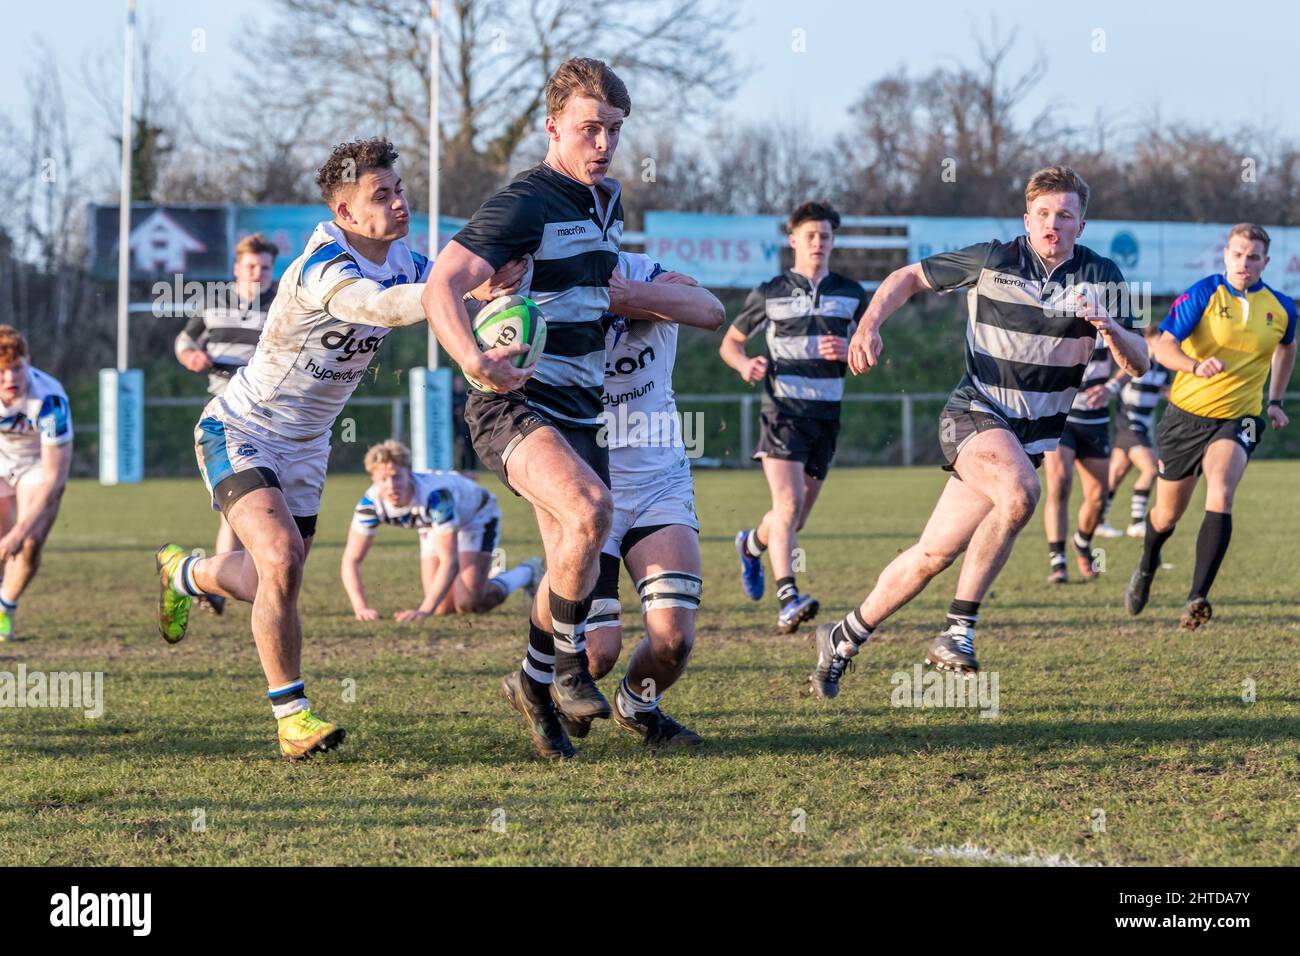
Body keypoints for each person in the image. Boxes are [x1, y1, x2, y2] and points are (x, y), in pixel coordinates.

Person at [153, 137, 521, 759]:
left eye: (400, 190)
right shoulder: (323, 266)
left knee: (276, 575)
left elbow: (450, 282)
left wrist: (495, 285)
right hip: (240, 429)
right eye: (382, 196)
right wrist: (453, 292)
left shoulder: (405, 258)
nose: (399, 203)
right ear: (346, 213)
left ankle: (184, 573)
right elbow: (380, 306)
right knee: (280, 558)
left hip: (307, 447)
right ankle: (292, 718)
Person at [806, 165, 1148, 699]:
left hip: (1026, 440)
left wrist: (1110, 325)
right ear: (1026, 218)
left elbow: (1141, 362)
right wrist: (868, 325)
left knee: (932, 555)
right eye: (1042, 214)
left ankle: (843, 635)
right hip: (976, 412)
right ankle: (958, 630)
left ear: (1082, 223)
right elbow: (908, 277)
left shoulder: (1103, 276)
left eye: (1064, 215)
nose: (1052, 224)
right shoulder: (994, 258)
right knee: (1021, 494)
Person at [423, 58, 631, 760]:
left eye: (613, 130)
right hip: (513, 401)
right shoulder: (526, 201)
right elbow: (440, 284)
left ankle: (531, 681)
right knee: (589, 512)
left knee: (569, 555)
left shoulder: (609, 201)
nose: (601, 144)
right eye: (588, 129)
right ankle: (565, 669)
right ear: (553, 127)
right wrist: (472, 358)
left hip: (580, 408)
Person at [577, 252, 723, 747]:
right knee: (596, 655)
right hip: (586, 487)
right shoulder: (548, 287)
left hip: (660, 483)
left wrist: (627, 298)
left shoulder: (645, 272)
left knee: (673, 641)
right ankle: (543, 684)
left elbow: (709, 311)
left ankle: (637, 706)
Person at [1124, 223, 1295, 629]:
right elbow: (1162, 346)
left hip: (1240, 418)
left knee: (1220, 490)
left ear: (1265, 262)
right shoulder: (1204, 293)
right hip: (1185, 417)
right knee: (1166, 515)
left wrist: (1274, 400)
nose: (1244, 263)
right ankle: (1148, 562)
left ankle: (1197, 597)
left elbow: (1287, 348)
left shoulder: (1283, 307)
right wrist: (1195, 366)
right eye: (1237, 254)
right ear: (1226, 256)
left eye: (1253, 256)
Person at [720, 201, 869, 634]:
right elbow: (730, 343)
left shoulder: (851, 293)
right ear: (793, 240)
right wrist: (744, 364)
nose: (818, 243)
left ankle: (750, 545)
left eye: (825, 236)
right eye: (810, 236)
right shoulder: (770, 292)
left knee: (795, 517)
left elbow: (871, 350)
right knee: (786, 506)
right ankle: (788, 597)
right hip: (782, 411)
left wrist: (852, 352)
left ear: (833, 241)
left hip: (826, 416)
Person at [174, 232, 279, 607]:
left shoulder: (284, 302)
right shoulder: (214, 302)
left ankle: (213, 579)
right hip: (227, 416)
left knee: (246, 509)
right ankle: (220, 579)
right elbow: (185, 341)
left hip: (274, 416)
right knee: (237, 509)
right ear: (236, 268)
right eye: (251, 266)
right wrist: (191, 357)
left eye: (265, 267)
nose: (258, 273)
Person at [341, 439, 541, 620]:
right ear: (373, 480)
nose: (392, 486)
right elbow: (351, 560)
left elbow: (450, 561)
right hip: (432, 525)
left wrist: (423, 611)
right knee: (442, 608)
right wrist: (361, 608)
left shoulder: (436, 497)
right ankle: (481, 577)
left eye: (396, 477)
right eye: (383, 479)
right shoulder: (370, 505)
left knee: (468, 603)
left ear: (409, 474)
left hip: (477, 517)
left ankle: (527, 571)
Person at [0, 326, 73, 641]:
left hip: (37, 466)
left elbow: (54, 479)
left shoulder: (49, 400)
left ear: (28, 360)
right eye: (1, 372)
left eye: (16, 368)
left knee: (28, 543)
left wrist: (20, 531)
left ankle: (6, 607)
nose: (10, 379)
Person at [1041, 332, 1113, 583]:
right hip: (1060, 418)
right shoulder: (1053, 315)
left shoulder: (1110, 317)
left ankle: (1082, 542)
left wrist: (1112, 386)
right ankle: (1057, 561)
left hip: (1096, 420)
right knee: (1060, 482)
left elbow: (1135, 358)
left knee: (1098, 496)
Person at [1095, 324, 1170, 539]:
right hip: (1128, 424)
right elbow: (1120, 378)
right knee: (1151, 469)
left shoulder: (1162, 370)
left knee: (1115, 476)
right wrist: (1109, 389)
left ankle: (1099, 521)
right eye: (1157, 342)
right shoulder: (1134, 362)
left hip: (1142, 428)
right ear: (1147, 343)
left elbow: (1169, 394)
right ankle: (1137, 522)